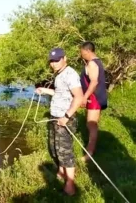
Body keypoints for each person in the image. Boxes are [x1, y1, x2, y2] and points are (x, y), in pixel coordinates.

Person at [35, 48, 83, 196]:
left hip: (65, 119)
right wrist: (44, 90)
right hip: (56, 117)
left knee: (65, 152)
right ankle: (61, 172)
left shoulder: (70, 74)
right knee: (55, 148)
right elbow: (61, 93)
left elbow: (79, 96)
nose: (53, 63)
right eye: (51, 61)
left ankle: (70, 186)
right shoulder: (59, 74)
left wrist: (67, 116)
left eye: (56, 60)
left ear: (64, 58)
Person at [79, 41, 108, 162]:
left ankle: (89, 153)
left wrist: (85, 97)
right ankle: (91, 149)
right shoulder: (96, 62)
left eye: (82, 52)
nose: (81, 55)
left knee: (92, 125)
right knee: (90, 124)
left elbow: (94, 82)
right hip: (93, 97)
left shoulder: (92, 63)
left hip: (94, 98)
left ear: (88, 51)